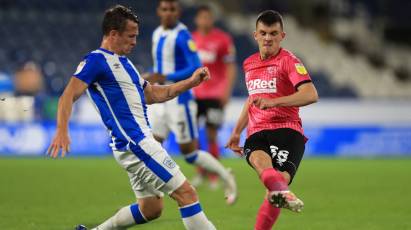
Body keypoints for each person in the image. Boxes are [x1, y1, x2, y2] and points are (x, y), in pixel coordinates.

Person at [46, 5, 217, 230]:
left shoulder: (126, 64)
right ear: (113, 34)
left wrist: (191, 82)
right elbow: (68, 95)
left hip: (135, 144)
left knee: (151, 208)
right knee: (186, 193)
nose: (135, 41)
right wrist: (61, 130)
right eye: (131, 36)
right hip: (136, 143)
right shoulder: (96, 61)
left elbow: (155, 93)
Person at [226, 10, 319, 230]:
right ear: (255, 35)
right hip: (257, 132)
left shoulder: (289, 61)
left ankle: (280, 190)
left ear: (282, 36)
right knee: (262, 166)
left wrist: (275, 102)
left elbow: (310, 94)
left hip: (287, 131)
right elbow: (252, 99)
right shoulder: (249, 64)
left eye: (273, 33)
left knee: (274, 186)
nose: (268, 38)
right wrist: (237, 131)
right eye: (264, 33)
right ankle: (283, 192)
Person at [144, 0, 237, 204]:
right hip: (159, 99)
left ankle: (225, 175)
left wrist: (163, 75)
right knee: (152, 144)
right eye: (164, 9)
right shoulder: (157, 33)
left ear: (178, 12)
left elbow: (196, 66)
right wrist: (151, 76)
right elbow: (159, 66)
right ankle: (151, 192)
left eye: (172, 9)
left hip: (181, 101)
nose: (168, 13)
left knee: (190, 153)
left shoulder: (183, 35)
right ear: (159, 11)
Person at [191, 5, 237, 189]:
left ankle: (214, 176)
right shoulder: (190, 39)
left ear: (212, 19)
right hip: (194, 94)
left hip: (214, 95)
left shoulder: (223, 39)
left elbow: (231, 67)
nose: (205, 21)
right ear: (197, 19)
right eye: (202, 17)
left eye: (208, 17)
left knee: (211, 135)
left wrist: (227, 91)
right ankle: (200, 173)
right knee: (192, 136)